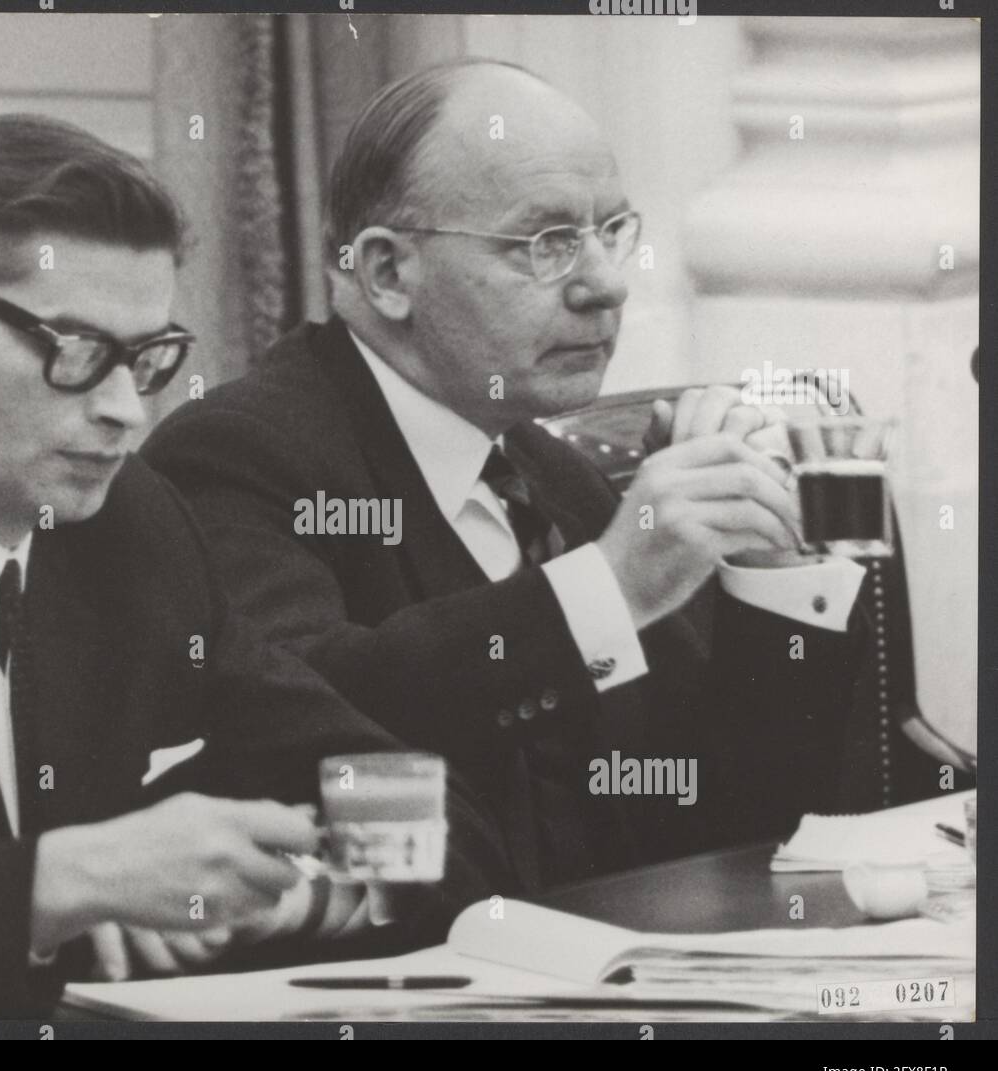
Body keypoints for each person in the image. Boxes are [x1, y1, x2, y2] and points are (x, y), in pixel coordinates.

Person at [0, 114, 511, 1019]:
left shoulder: (127, 522)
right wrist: (63, 883)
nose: (127, 412)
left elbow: (380, 780)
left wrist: (310, 895)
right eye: (78, 352)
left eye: (149, 358)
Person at [143, 60, 868, 893]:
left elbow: (722, 825)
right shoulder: (238, 455)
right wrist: (612, 586)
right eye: (547, 245)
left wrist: (770, 579)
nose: (606, 284)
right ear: (386, 273)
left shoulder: (552, 474)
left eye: (612, 231)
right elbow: (304, 727)